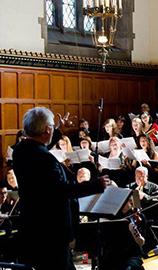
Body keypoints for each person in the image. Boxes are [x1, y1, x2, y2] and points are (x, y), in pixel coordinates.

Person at [12, 107, 108, 270]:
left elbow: (38, 147)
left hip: (31, 226)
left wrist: (57, 130)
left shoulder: (20, 151)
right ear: (47, 129)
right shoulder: (45, 160)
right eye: (51, 128)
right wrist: (95, 185)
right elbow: (61, 191)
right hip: (51, 232)